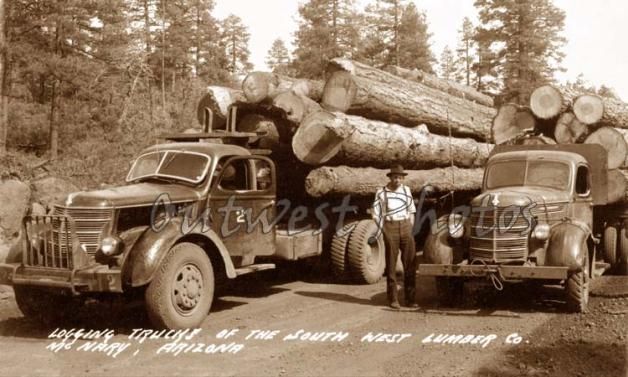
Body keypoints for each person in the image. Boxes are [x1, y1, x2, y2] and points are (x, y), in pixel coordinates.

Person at [372, 165, 417, 310]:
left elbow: (411, 211)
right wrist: (383, 230)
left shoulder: (406, 190)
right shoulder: (381, 192)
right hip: (390, 227)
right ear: (390, 178)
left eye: (400, 177)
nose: (398, 180)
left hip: (405, 227)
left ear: (403, 179)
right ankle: (393, 300)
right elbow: (376, 214)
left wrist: (410, 227)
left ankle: (410, 300)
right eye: (395, 177)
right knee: (391, 264)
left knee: (410, 263)